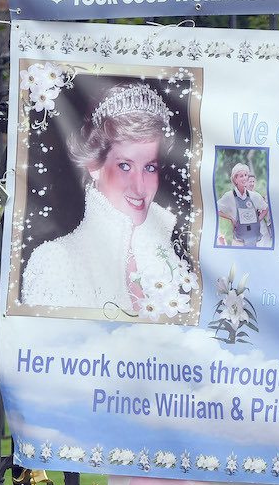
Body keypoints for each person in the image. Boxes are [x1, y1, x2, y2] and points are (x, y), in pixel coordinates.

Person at [21, 81, 194, 316]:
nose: (140, 186)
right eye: (125, 166)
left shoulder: (171, 258)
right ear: (94, 166)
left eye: (150, 168)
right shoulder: (56, 261)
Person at [217, 162, 272, 247]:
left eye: (246, 175)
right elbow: (216, 209)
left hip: (256, 241)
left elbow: (266, 208)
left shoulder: (255, 196)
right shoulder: (229, 196)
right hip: (238, 242)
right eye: (241, 176)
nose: (245, 178)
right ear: (235, 179)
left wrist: (258, 219)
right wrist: (231, 219)